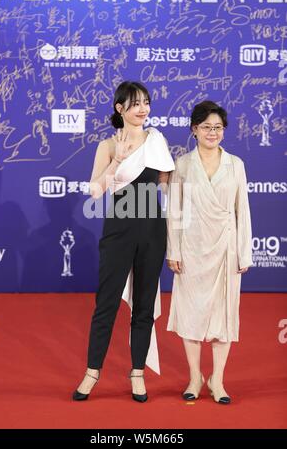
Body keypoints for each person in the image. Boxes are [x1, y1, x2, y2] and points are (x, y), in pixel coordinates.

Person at [73, 81, 174, 402]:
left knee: (144, 305)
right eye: (135, 104)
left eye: (146, 102)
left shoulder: (157, 140)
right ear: (120, 109)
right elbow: (94, 191)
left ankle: (138, 373)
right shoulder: (107, 145)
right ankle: (92, 373)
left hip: (153, 229)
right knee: (106, 305)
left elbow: (166, 183)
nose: (143, 109)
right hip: (118, 230)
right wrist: (117, 160)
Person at [166, 101, 252, 404]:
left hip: (226, 249)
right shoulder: (183, 165)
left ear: (224, 131)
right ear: (194, 130)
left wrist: (245, 252)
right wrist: (173, 250)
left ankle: (218, 380)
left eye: (217, 127)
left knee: (224, 317)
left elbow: (243, 211)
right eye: (206, 127)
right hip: (191, 248)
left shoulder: (236, 165)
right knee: (191, 314)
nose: (212, 132)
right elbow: (174, 211)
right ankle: (194, 377)